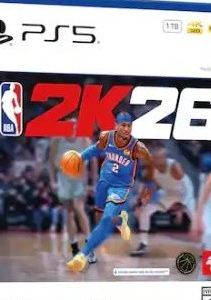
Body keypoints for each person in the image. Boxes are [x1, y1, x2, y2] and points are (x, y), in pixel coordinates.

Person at [65, 112, 153, 273]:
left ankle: (82, 256)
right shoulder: (106, 137)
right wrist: (80, 157)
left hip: (120, 188)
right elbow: (94, 150)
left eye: (129, 125)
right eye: (123, 125)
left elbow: (150, 173)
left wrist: (145, 197)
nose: (126, 128)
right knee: (101, 219)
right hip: (103, 183)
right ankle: (120, 221)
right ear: (116, 125)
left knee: (105, 219)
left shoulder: (138, 147)